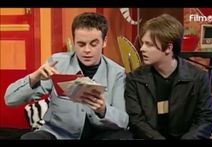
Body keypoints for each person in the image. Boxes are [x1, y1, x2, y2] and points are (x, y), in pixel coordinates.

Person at [5, 12, 133, 140]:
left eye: (93, 44)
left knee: (123, 137)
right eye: (81, 44)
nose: (87, 50)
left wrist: (103, 110)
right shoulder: (58, 63)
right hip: (58, 135)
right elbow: (10, 99)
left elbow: (123, 121)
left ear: (104, 41)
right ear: (73, 41)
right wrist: (34, 77)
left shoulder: (116, 73)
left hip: (99, 135)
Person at [124, 14, 212, 139]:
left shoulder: (198, 78)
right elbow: (136, 121)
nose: (142, 48)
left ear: (168, 48)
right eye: (143, 43)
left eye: (149, 44)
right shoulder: (135, 79)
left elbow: (206, 119)